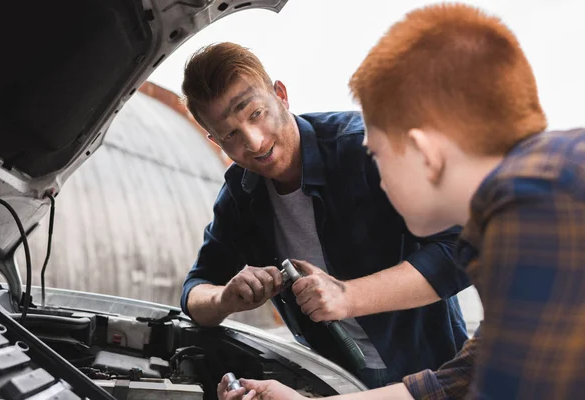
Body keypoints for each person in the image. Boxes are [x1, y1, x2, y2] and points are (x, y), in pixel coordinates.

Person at [218, 2, 585, 399]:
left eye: (375, 154)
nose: (378, 177)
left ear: (423, 153)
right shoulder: (523, 210)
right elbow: (451, 383)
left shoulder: (544, 207)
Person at [179, 41, 471, 388]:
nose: (255, 142)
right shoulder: (239, 199)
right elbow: (194, 292)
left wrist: (348, 296)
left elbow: (463, 248)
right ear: (215, 141)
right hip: (335, 379)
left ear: (281, 96)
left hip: (431, 371)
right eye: (231, 134)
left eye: (255, 113)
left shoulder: (368, 148)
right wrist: (224, 297)